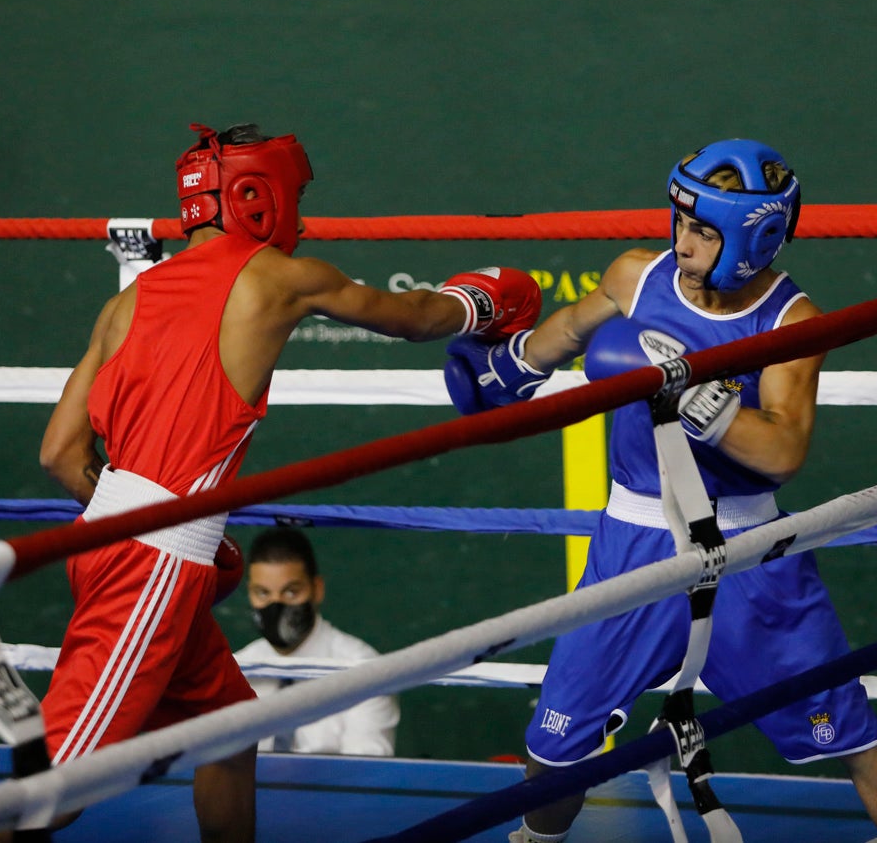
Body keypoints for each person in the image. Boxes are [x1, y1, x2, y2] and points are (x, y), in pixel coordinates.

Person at [34, 122, 541, 843]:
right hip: (148, 569)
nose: (300, 219)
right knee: (51, 792)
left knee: (231, 734)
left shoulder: (128, 300)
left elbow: (60, 453)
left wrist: (169, 523)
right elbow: (416, 317)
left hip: (115, 541)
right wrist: (490, 300)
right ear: (255, 196)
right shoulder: (277, 277)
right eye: (296, 197)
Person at [443, 139, 877, 842]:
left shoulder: (791, 322)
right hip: (631, 546)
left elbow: (784, 449)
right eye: (681, 219)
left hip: (749, 555)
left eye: (704, 230)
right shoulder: (637, 277)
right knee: (552, 754)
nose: (684, 240)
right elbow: (573, 329)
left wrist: (695, 393)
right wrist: (509, 369)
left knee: (854, 738)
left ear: (753, 237)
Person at [234, 526, 399, 755]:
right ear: (250, 593)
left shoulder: (362, 668)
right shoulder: (238, 669)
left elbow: (366, 770)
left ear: (317, 589)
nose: (276, 604)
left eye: (291, 592)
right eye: (263, 593)